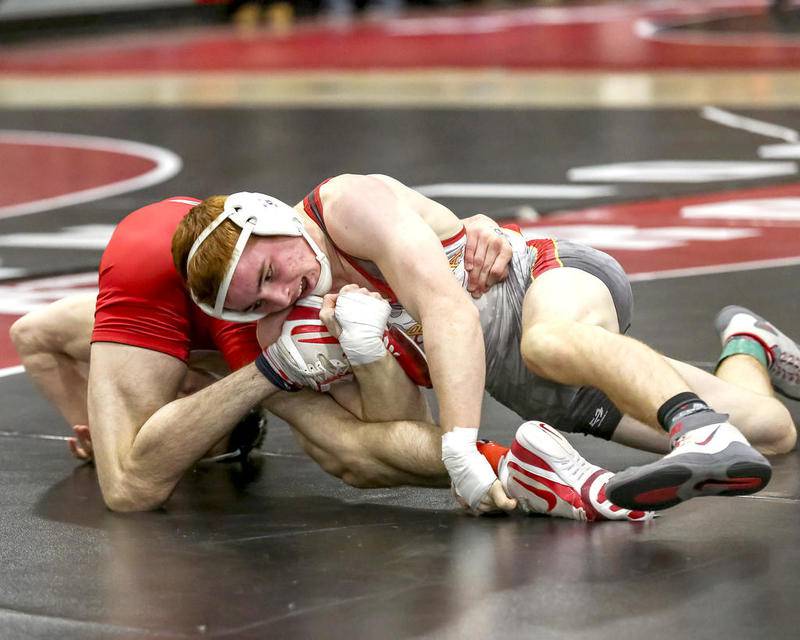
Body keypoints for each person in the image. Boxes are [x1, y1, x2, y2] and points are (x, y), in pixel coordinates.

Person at [172, 175, 798, 513]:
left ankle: (699, 433)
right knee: (770, 434)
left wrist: (460, 444)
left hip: (541, 284)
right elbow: (396, 425)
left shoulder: (346, 208)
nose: (280, 297)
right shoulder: (286, 330)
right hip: (530, 389)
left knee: (549, 341)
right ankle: (751, 344)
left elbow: (449, 311)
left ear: (271, 218)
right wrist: (365, 352)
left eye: (269, 275)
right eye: (255, 305)